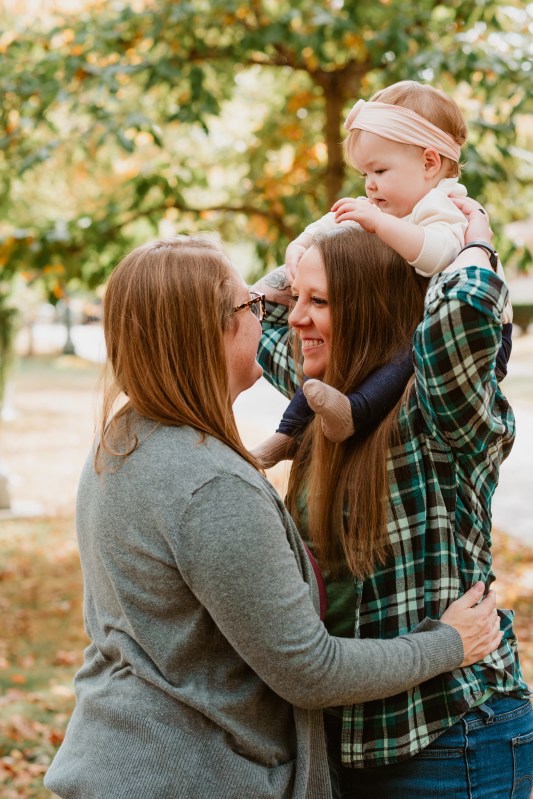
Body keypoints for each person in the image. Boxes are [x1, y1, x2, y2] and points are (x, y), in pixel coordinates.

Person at [43, 236, 500, 799]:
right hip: (184, 773)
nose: (273, 315)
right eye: (251, 306)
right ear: (206, 333)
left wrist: (393, 234)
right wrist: (448, 642)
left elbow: (449, 315)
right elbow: (309, 669)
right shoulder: (210, 486)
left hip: (130, 758)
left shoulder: (122, 442)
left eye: (315, 301)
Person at [253, 200, 532, 798]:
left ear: (370, 307)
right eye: (300, 298)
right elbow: (259, 318)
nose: (297, 317)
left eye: (319, 302)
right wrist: (313, 242)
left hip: (448, 738)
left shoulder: (436, 412)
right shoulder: (322, 396)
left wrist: (469, 245)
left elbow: (465, 314)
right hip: (339, 742)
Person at [256, 81, 512, 466]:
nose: (370, 184)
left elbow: (437, 254)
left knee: (406, 351)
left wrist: (377, 223)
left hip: (473, 341)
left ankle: (355, 412)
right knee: (338, 352)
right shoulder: (391, 206)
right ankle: (290, 432)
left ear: (429, 163)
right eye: (364, 173)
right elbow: (333, 221)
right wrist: (301, 243)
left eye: (379, 170)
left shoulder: (445, 206)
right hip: (415, 325)